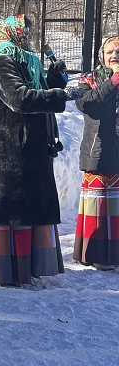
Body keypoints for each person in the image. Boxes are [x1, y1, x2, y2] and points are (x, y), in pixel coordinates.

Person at [0, 14, 79, 286]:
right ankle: (12, 270)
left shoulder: (27, 61)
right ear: (11, 34)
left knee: (32, 208)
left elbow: (39, 94)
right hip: (10, 148)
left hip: (32, 146)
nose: (29, 36)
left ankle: (30, 267)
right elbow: (19, 99)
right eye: (24, 31)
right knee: (16, 210)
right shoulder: (3, 61)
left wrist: (54, 80)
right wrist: (63, 96)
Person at [72, 35, 119, 271]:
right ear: (102, 55)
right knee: (99, 207)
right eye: (110, 51)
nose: (115, 56)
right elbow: (86, 104)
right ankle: (96, 253)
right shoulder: (89, 78)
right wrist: (113, 82)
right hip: (98, 150)